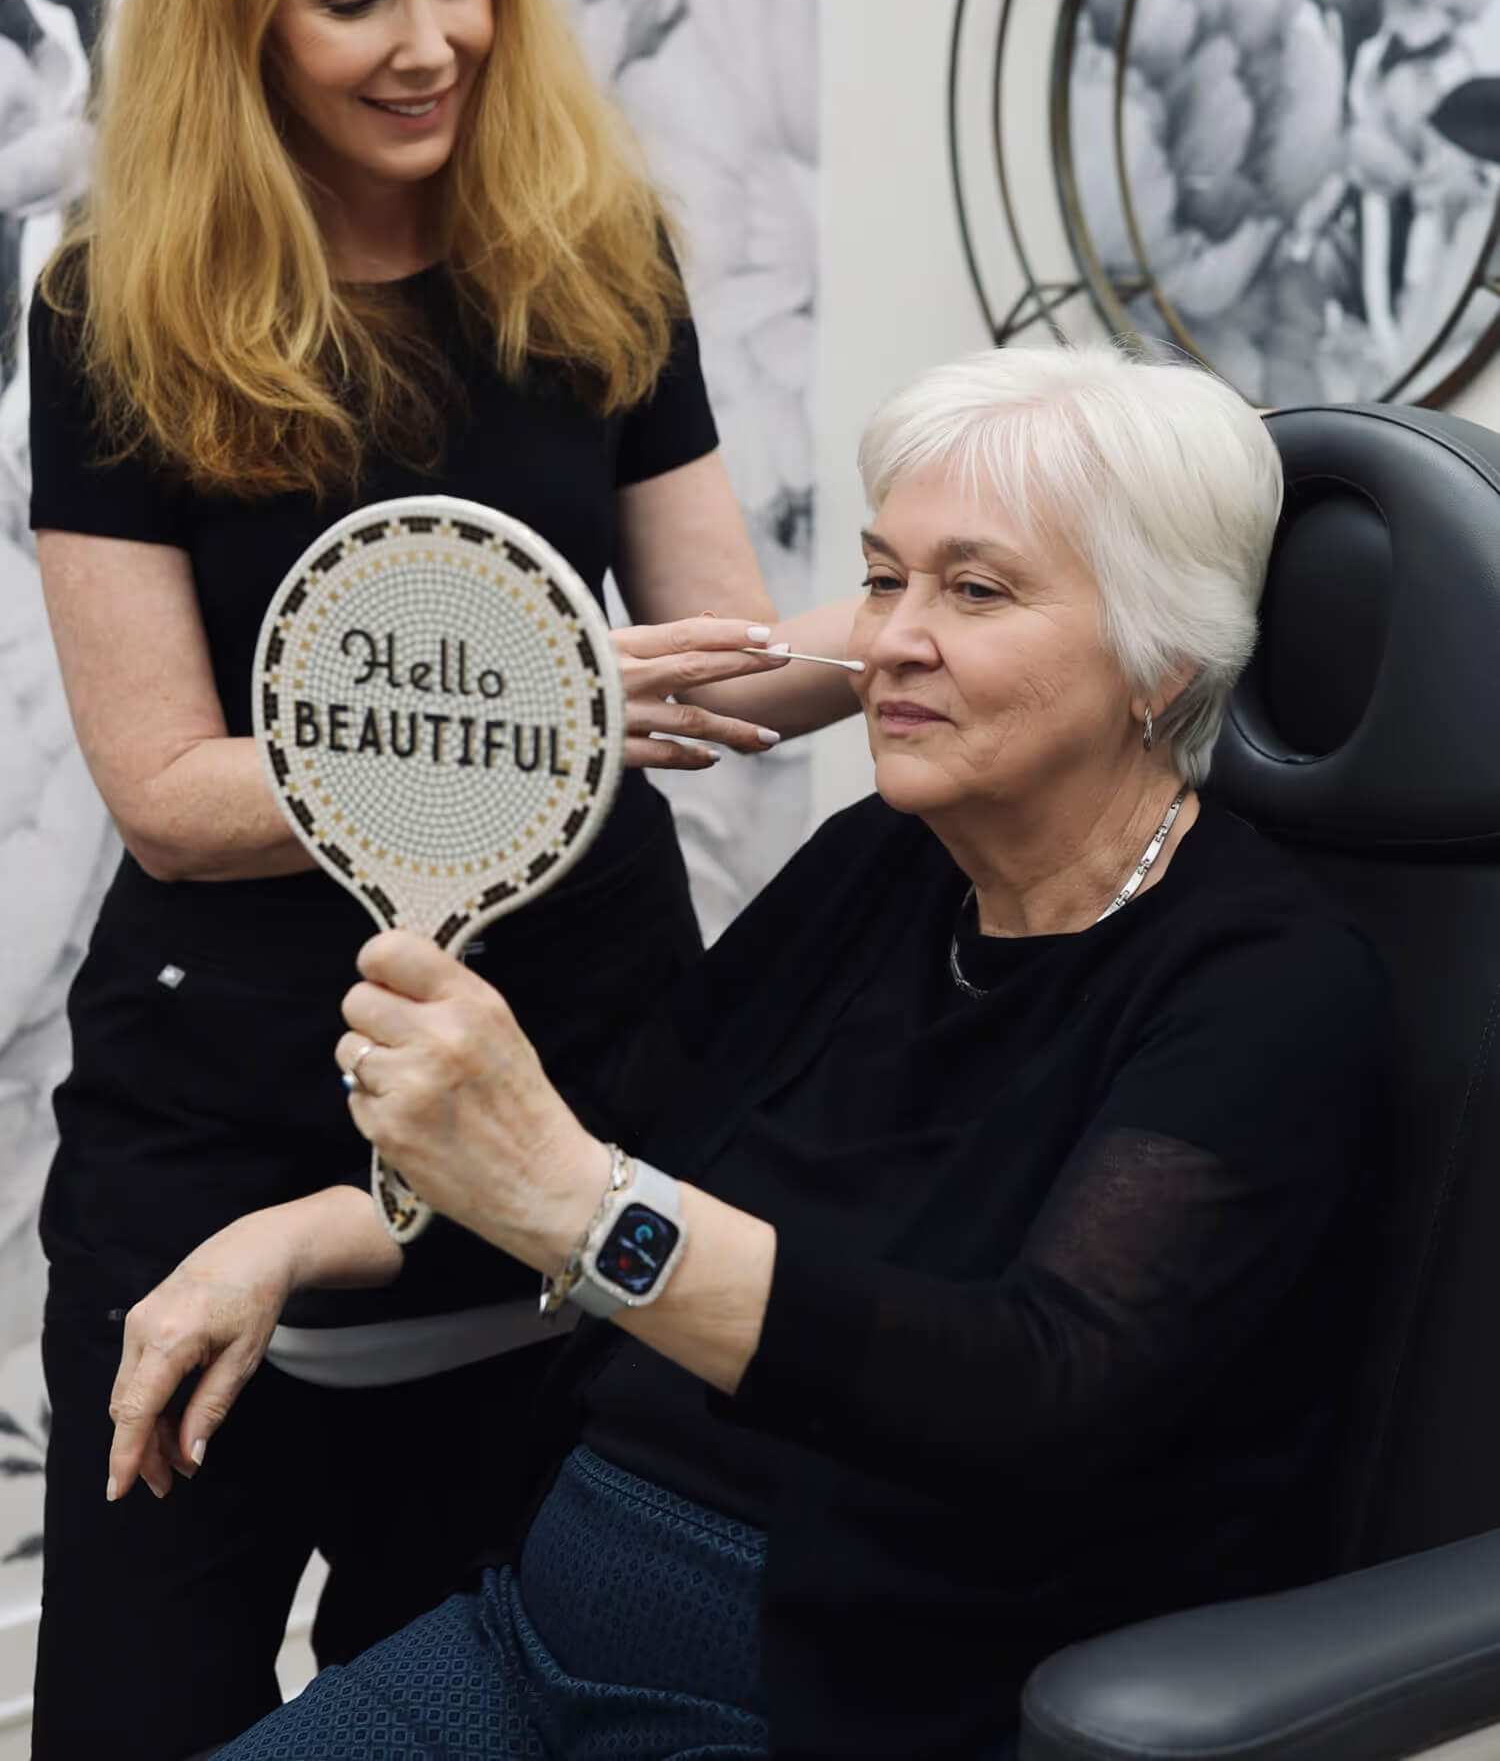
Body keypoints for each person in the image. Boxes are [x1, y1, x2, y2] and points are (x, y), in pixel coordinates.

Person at [108, 344, 1385, 1761]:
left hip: (816, 1698)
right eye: (885, 577)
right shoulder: (882, 868)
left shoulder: (1264, 986)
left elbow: (1037, 1390)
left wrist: (586, 1210)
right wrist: (295, 1235)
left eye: (974, 590)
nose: (889, 638)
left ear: (1163, 663)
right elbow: (614, 1140)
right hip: (532, 1627)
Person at [27, 0, 857, 1760]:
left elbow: (720, 656)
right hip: (220, 1126)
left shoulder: (594, 261)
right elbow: (176, 799)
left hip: (564, 1101)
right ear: (240, 21)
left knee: (510, 1702)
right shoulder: (116, 317)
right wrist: (560, 708)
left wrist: (958, 627)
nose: (434, 40)